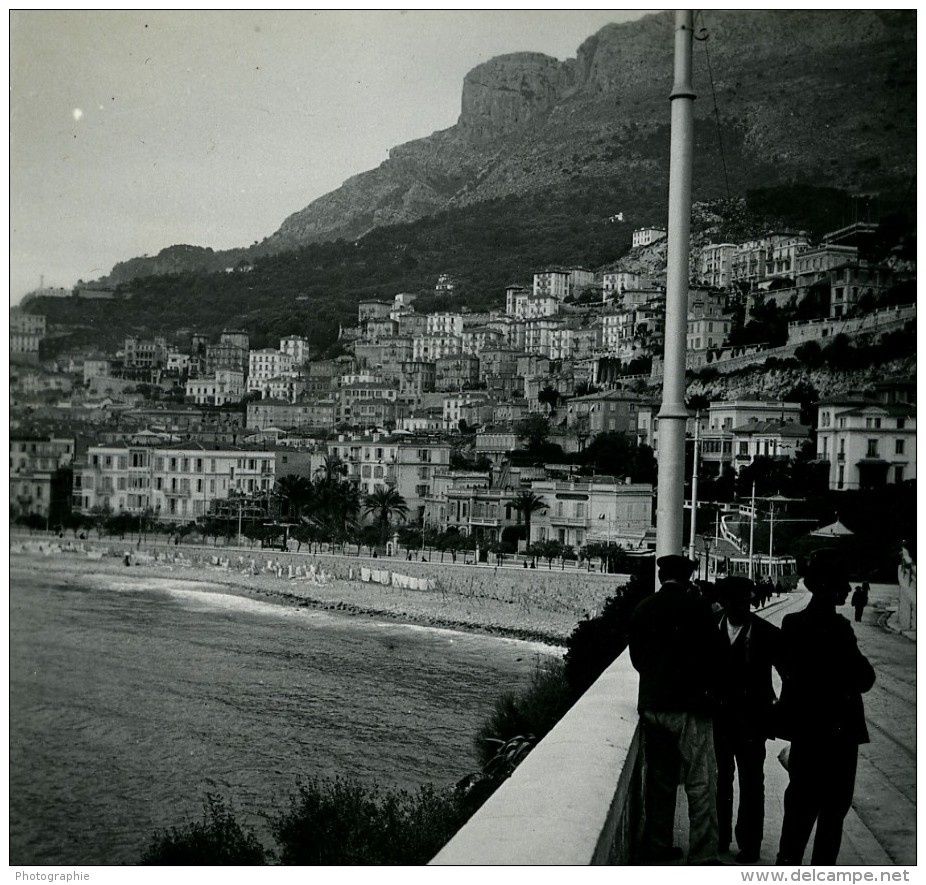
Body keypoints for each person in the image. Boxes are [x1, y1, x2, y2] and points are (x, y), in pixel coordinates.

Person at [775, 549, 875, 865]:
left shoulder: (792, 624)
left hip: (807, 735)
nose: (847, 589)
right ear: (826, 587)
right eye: (841, 583)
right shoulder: (839, 629)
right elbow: (864, 678)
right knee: (832, 818)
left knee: (798, 817)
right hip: (840, 738)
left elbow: (788, 672)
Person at [629, 553, 723, 865]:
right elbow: (714, 657)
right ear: (687, 578)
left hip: (654, 706)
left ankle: (658, 849)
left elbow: (638, 662)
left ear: (661, 577)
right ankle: (703, 854)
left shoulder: (643, 609)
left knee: (660, 783)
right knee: (700, 781)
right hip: (690, 707)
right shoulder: (699, 609)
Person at [712, 577, 783, 863]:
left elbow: (790, 673)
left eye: (743, 601)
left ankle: (750, 845)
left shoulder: (767, 633)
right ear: (725, 602)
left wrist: (778, 712)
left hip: (753, 723)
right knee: (721, 780)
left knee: (752, 783)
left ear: (749, 601)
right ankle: (720, 838)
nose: (738, 606)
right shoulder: (710, 627)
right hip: (718, 720)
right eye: (733, 601)